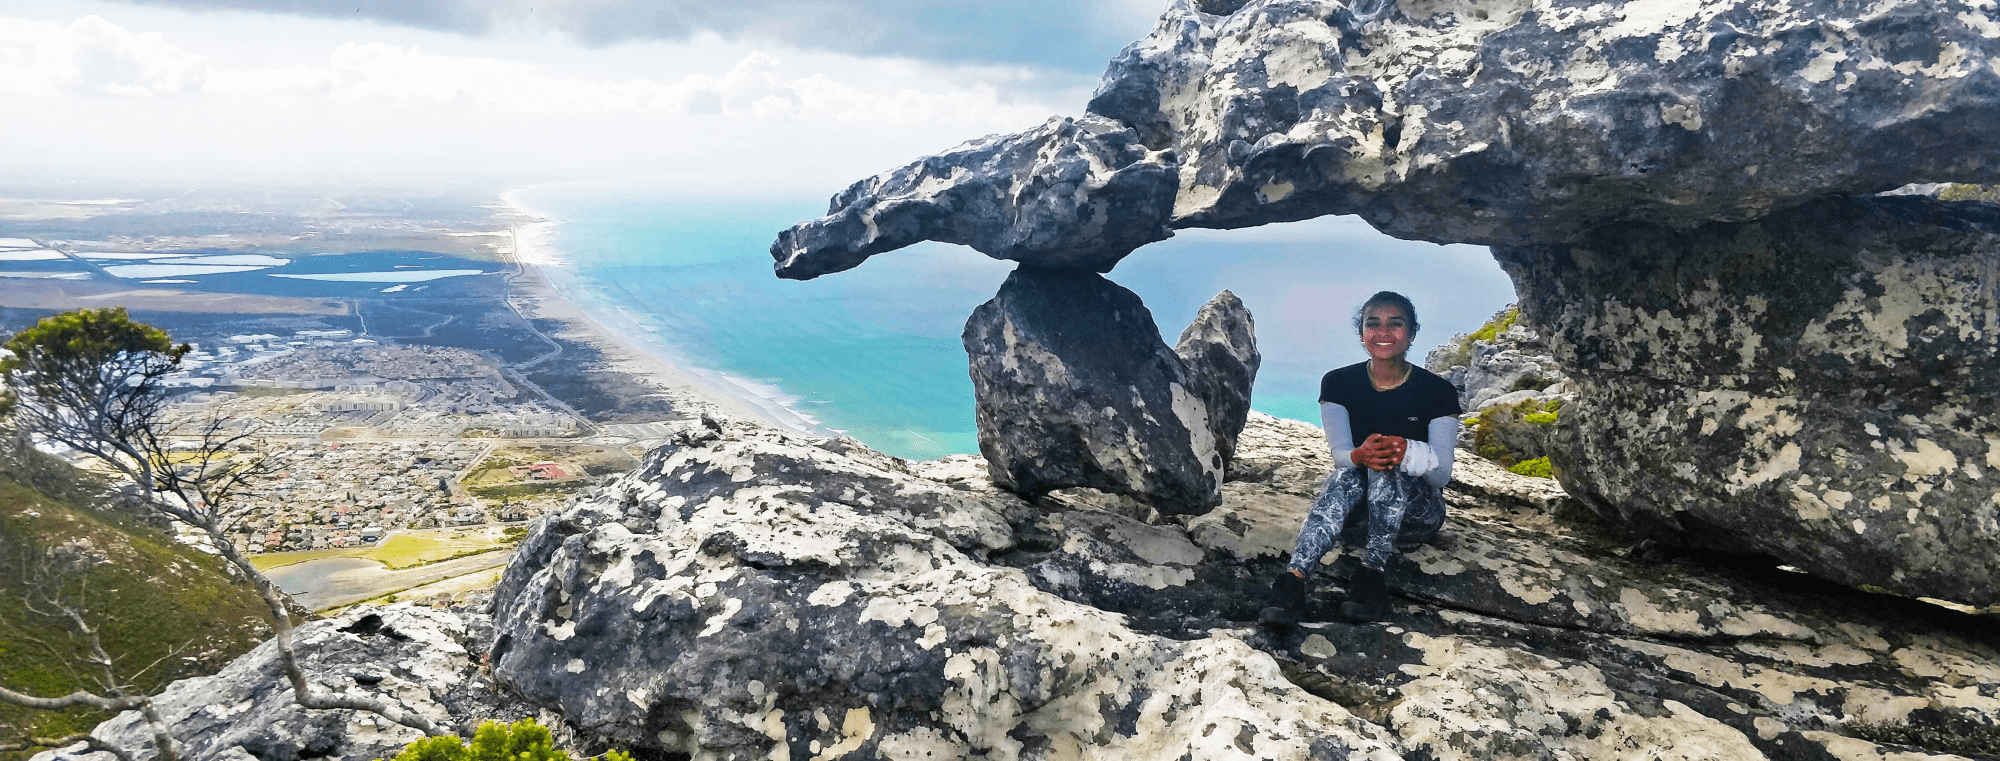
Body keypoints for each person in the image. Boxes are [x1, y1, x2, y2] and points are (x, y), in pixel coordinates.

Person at [1263, 291, 1461, 624]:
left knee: (1387, 464)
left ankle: (1372, 576)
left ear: (1411, 333)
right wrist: (1360, 454)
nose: (1383, 333)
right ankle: (1292, 582)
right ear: (1361, 333)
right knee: (1350, 473)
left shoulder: (1438, 391)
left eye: (1395, 324)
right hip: (1355, 519)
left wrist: (1409, 453)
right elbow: (1342, 457)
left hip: (1416, 517)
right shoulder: (1338, 383)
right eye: (1373, 324)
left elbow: (1441, 476)